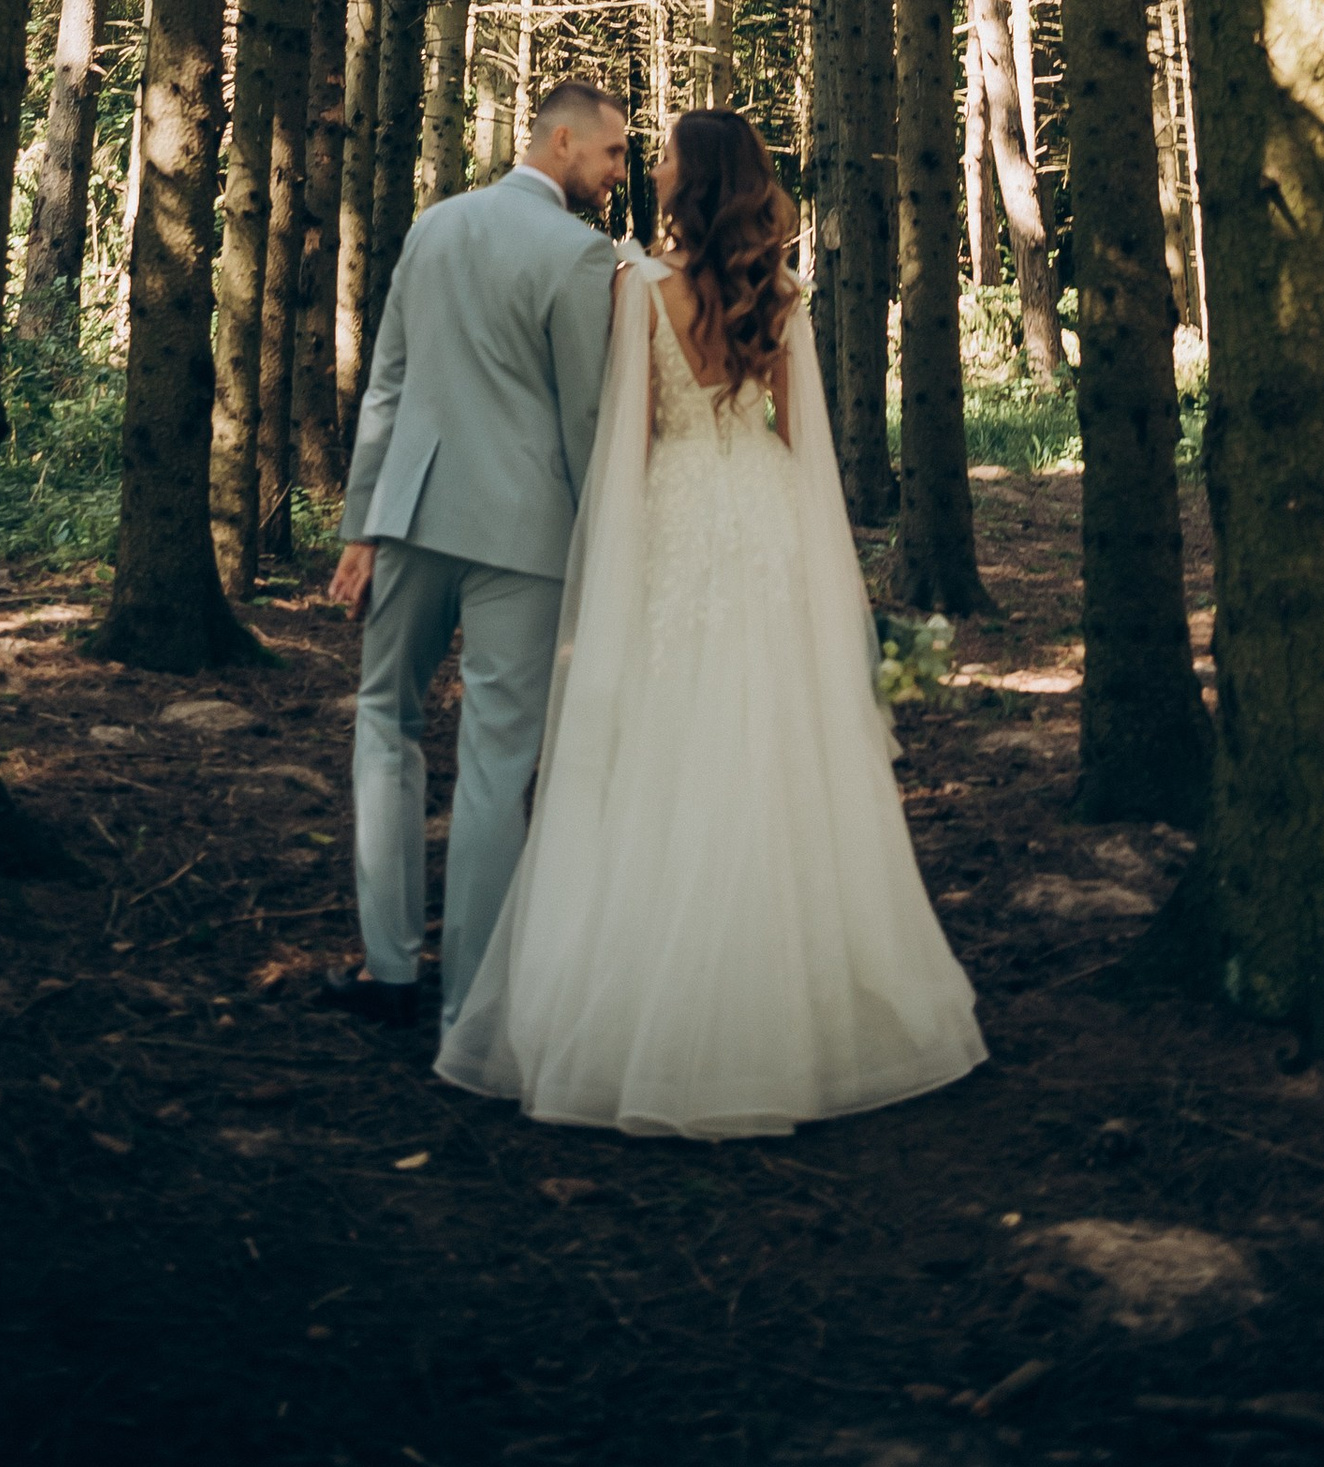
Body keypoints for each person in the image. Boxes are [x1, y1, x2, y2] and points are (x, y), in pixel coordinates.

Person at [437, 109, 986, 1136]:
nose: (650, 165)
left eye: (665, 157)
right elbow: (801, 439)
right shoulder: (780, 292)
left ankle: (654, 1004)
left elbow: (630, 436)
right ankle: (796, 1000)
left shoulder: (638, 287)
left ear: (691, 182)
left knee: (668, 731)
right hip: (765, 513)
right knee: (774, 731)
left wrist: (612, 550)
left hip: (679, 513)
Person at [328, 77, 629, 1033]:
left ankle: (388, 970)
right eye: (613, 152)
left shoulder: (435, 226)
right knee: (499, 757)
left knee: (385, 720)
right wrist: (603, 536)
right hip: (525, 531)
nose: (618, 171)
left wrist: (363, 525)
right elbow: (586, 413)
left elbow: (387, 384)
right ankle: (471, 1002)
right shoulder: (580, 254)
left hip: (413, 514)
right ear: (562, 141)